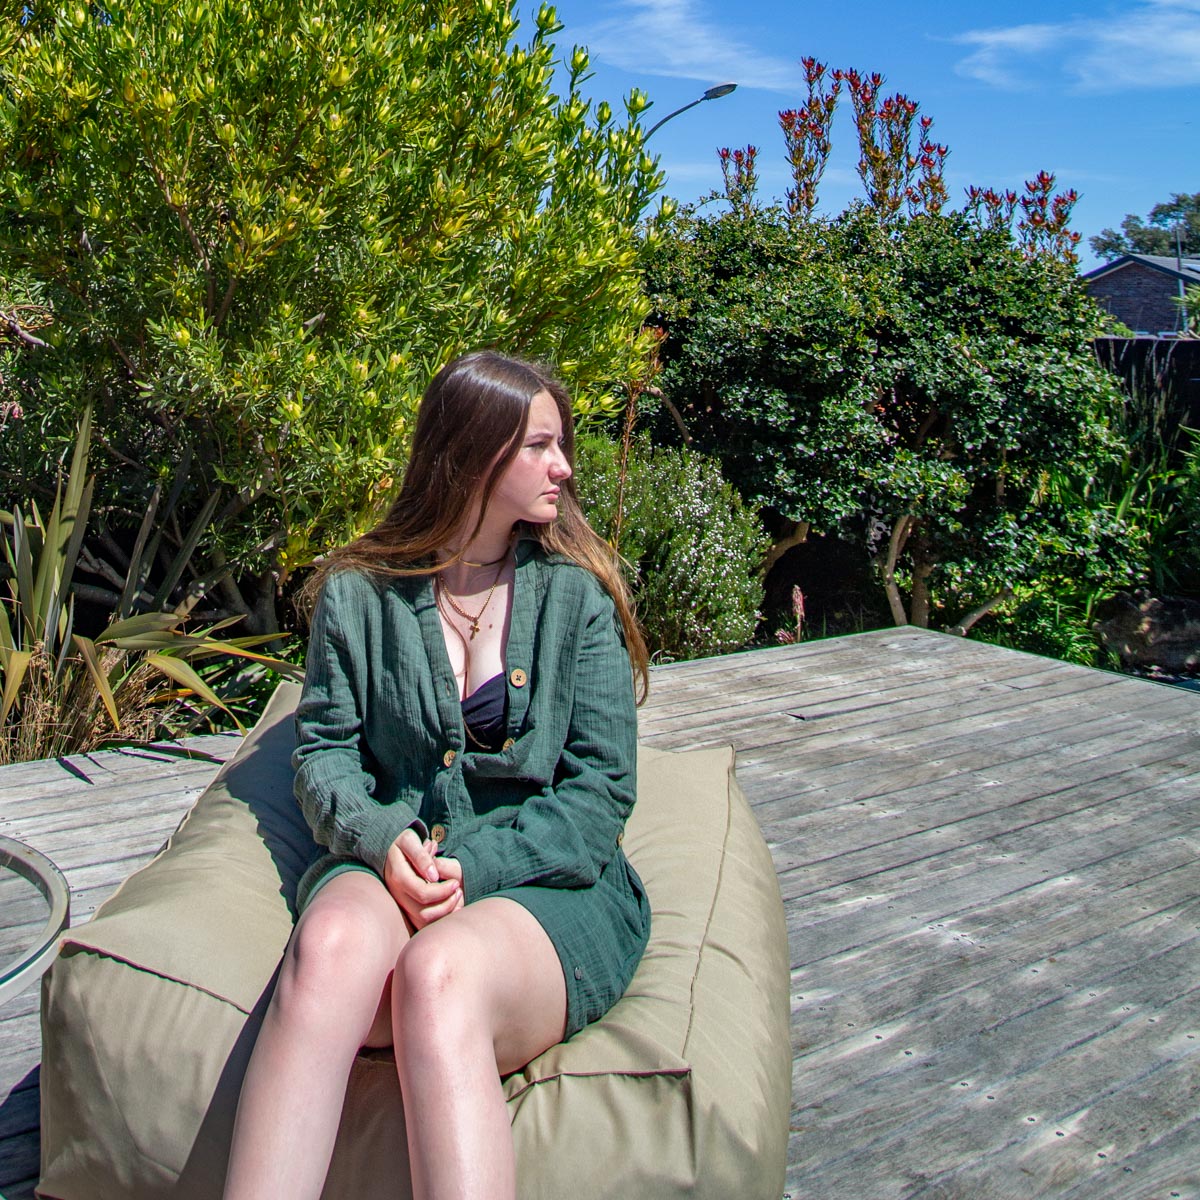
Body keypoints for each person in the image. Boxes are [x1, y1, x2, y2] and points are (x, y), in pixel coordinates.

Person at [223, 351, 652, 1200]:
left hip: (549, 882)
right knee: (329, 948)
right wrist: (385, 843)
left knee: (437, 976)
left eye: (560, 444)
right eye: (540, 445)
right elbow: (325, 757)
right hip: (399, 858)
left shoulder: (577, 597)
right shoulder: (359, 591)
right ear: (472, 452)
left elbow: (600, 790)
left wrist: (474, 872)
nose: (564, 467)